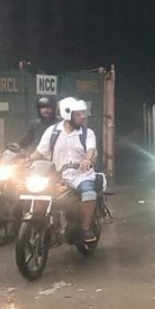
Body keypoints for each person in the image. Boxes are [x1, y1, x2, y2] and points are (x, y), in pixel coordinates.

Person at [30, 97, 100, 241]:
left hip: (81, 175)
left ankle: (85, 228)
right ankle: (39, 224)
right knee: (37, 194)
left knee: (89, 193)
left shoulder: (87, 133)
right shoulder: (52, 131)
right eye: (78, 114)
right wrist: (26, 161)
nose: (82, 117)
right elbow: (40, 152)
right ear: (67, 114)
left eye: (82, 113)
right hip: (57, 175)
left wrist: (87, 159)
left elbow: (91, 149)